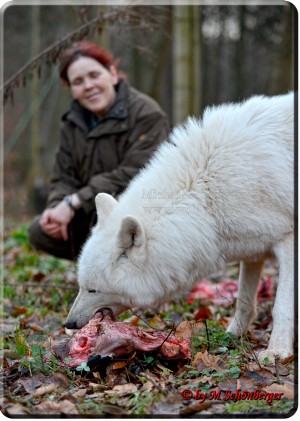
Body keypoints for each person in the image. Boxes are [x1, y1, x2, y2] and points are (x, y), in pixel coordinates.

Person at [28, 41, 170, 260]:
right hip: (92, 212)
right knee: (40, 231)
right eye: (78, 81)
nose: (88, 85)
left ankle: (137, 275)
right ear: (72, 90)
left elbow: (134, 173)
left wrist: (74, 202)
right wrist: (57, 209)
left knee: (115, 220)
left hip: (142, 215)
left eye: (94, 75)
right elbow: (63, 177)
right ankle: (98, 271)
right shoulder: (71, 124)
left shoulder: (147, 115)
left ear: (112, 74)